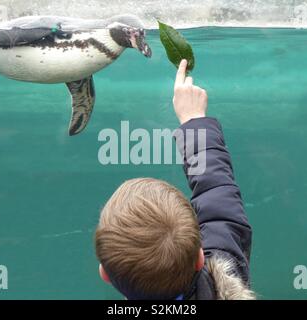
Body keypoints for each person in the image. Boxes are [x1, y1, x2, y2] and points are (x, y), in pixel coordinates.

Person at [95, 60, 255, 300]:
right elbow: (218, 196)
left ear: (104, 273)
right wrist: (194, 121)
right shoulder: (226, 278)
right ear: (200, 259)